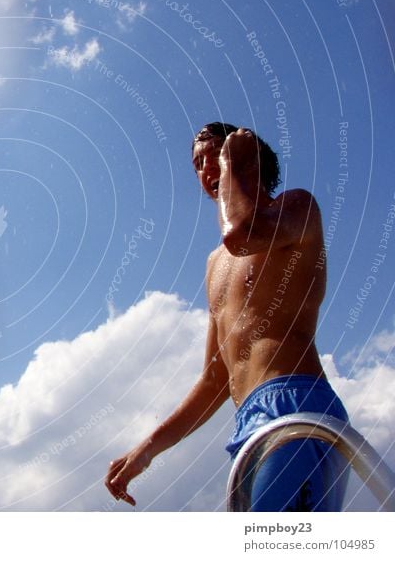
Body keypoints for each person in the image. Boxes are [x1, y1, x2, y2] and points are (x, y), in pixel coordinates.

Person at [105, 122, 349, 511]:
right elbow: (215, 378)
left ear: (246, 158)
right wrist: (146, 450)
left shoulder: (296, 208)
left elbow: (240, 232)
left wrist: (233, 161)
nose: (206, 169)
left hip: (296, 404)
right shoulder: (214, 263)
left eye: (216, 155)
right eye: (198, 163)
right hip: (246, 425)